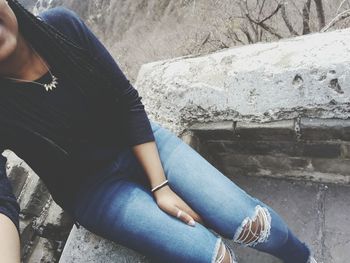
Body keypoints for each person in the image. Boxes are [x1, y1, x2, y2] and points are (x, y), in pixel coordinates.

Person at [0, 1, 318, 262]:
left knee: (251, 222)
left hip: (137, 139)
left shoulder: (61, 27)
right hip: (94, 192)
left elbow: (125, 101)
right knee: (211, 257)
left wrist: (160, 186)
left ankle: (301, 257)